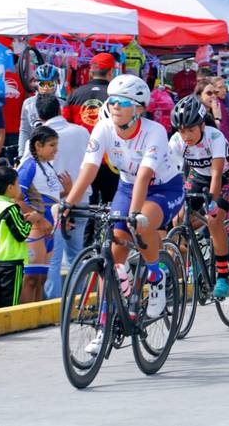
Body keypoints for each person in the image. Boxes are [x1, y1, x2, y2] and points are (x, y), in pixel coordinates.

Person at [64, 74, 184, 324]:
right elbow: (89, 169)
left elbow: (144, 175)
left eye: (123, 101)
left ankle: (156, 277)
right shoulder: (104, 127)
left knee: (141, 223)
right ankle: (104, 325)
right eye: (113, 100)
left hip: (163, 188)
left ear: (138, 109)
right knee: (114, 252)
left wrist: (134, 214)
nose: (115, 105)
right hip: (127, 187)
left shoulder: (155, 131)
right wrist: (69, 203)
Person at [169, 95, 229, 298]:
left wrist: (212, 205)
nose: (186, 135)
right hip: (198, 175)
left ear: (201, 125)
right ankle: (188, 258)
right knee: (179, 218)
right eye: (182, 131)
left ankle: (223, 276)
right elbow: (173, 174)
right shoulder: (176, 141)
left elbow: (216, 175)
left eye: (191, 130)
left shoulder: (214, 137)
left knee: (214, 219)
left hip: (225, 178)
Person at [25, 94, 90, 300]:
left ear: (38, 115)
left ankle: (55, 303)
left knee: (54, 258)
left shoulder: (37, 141)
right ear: (60, 110)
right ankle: (77, 301)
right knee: (76, 253)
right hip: (80, 198)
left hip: (56, 204)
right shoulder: (81, 132)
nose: (55, 149)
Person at [63, 53, 118, 207]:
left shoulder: (74, 94)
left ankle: (87, 232)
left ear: (92, 72)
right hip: (109, 159)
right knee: (111, 207)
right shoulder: (115, 96)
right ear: (110, 72)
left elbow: (66, 124)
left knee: (86, 205)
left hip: (83, 159)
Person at [17, 126, 65, 304]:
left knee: (41, 279)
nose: (56, 149)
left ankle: (35, 320)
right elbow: (16, 198)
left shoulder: (47, 166)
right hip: (36, 229)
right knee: (30, 279)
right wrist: (38, 218)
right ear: (38, 145)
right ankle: (25, 321)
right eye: (52, 145)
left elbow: (50, 197)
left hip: (50, 228)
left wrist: (67, 190)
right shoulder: (28, 166)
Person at [0, 167, 33, 308]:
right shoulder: (11, 208)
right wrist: (30, 221)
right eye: (18, 184)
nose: (19, 187)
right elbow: (22, 234)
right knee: (10, 301)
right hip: (11, 262)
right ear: (10, 188)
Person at [18, 64, 64, 157]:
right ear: (37, 84)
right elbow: (24, 130)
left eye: (50, 84)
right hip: (34, 152)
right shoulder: (28, 104)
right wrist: (21, 154)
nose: (46, 88)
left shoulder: (63, 105)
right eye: (42, 84)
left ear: (56, 84)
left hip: (56, 153)